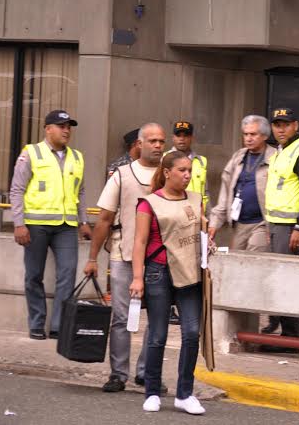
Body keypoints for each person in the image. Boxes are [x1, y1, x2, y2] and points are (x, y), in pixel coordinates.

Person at [84, 122, 166, 392]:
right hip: (123, 255)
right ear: (139, 144)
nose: (158, 145)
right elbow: (104, 219)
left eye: (161, 141)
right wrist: (93, 258)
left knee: (157, 319)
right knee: (120, 318)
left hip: (159, 259)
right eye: (152, 141)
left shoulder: (170, 173)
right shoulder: (121, 175)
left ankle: (147, 373)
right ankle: (118, 374)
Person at [129, 151, 208, 415]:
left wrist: (209, 240)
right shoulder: (148, 204)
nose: (187, 175)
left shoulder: (196, 200)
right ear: (166, 172)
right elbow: (139, 242)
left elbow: (201, 234)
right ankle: (152, 392)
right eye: (182, 170)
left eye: (190, 171)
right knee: (158, 335)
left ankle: (185, 394)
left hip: (190, 273)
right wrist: (137, 278)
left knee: (191, 333)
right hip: (158, 272)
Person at [10, 109, 91, 341]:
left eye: (69, 127)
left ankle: (58, 326)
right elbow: (16, 190)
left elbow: (80, 191)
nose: (66, 131)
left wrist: (84, 221)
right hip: (36, 225)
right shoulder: (31, 153)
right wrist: (19, 224)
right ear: (48, 129)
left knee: (67, 274)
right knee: (34, 275)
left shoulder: (77, 157)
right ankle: (37, 323)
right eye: (61, 126)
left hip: (66, 226)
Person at [263, 108, 299, 345]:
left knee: (287, 281)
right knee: (281, 279)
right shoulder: (281, 150)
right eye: (277, 125)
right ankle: (287, 334)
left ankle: (292, 337)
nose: (281, 129)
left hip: (291, 226)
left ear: (296, 125)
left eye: (285, 124)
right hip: (278, 224)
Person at [209, 115, 277, 252]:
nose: (248, 138)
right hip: (239, 223)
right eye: (245, 134)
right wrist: (214, 224)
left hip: (262, 223)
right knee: (237, 258)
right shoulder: (238, 156)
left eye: (253, 134)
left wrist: (273, 227)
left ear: (264, 136)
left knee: (254, 256)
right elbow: (225, 194)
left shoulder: (275, 157)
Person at [167, 121, 209, 209]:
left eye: (185, 135)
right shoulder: (164, 159)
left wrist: (207, 214)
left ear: (192, 138)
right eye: (178, 135)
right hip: (172, 211)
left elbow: (205, 191)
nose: (182, 139)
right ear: (173, 138)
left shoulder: (201, 161)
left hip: (197, 211)